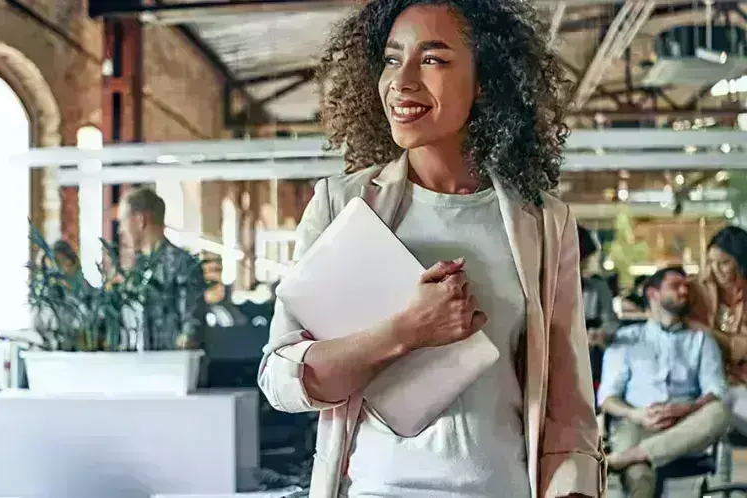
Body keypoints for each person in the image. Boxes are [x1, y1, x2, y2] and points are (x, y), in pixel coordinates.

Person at [258, 1, 604, 497]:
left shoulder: (544, 222)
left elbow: (568, 409)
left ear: (485, 80)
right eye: (393, 58)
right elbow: (282, 379)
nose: (401, 81)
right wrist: (407, 331)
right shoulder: (341, 205)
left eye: (433, 59)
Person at [598, 267, 730, 498]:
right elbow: (607, 397)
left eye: (686, 286)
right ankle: (636, 457)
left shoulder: (701, 340)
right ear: (653, 294)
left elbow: (716, 389)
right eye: (675, 285)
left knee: (722, 410)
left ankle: (629, 457)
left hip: (685, 428)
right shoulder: (627, 339)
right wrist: (636, 414)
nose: (684, 291)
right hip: (636, 423)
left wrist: (686, 408)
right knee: (639, 476)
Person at [118, 187, 206, 351]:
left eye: (123, 221)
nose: (121, 229)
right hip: (135, 369)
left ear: (140, 219)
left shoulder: (182, 265)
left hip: (171, 370)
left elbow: (191, 332)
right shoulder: (135, 272)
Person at [689, 226, 747, 386]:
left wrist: (704, 331)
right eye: (710, 262)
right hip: (704, 380)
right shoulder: (696, 288)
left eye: (724, 263)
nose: (716, 270)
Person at [578, 225, 619, 392]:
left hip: (591, 357)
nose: (585, 265)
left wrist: (600, 334)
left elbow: (611, 323)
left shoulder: (597, 287)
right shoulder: (544, 289)